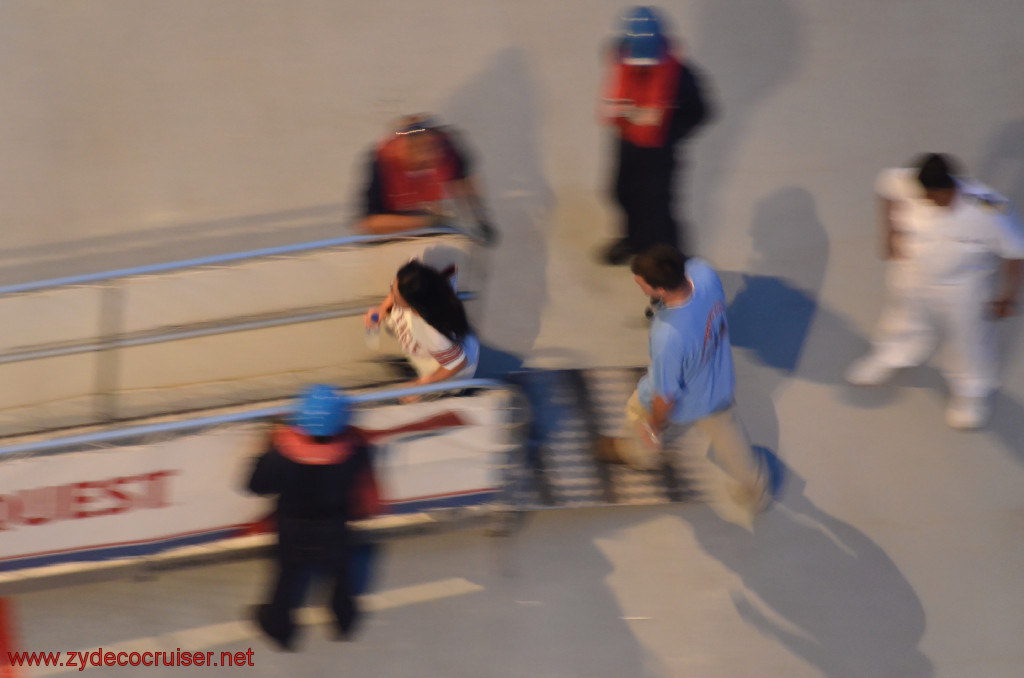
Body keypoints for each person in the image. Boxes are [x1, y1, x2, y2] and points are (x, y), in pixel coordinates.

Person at [845, 153, 1024, 429]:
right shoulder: (907, 182)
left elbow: (1015, 253)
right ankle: (893, 354)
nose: (926, 201)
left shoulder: (988, 208)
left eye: (933, 197)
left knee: (969, 339)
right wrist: (889, 232)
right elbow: (885, 189)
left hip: (964, 285)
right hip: (913, 270)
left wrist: (1008, 297)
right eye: (922, 195)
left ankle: (970, 392)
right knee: (902, 318)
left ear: (949, 189)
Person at [597, 245, 773, 516]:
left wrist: (653, 429)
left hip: (685, 400)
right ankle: (756, 488)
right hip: (717, 386)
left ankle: (638, 454)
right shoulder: (702, 272)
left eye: (642, 284)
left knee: (637, 414)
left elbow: (665, 398)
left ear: (661, 291)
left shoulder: (667, 336)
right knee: (730, 439)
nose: (638, 285)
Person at [247, 384, 379, 650]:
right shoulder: (354, 452)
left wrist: (265, 449)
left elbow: (256, 485)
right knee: (342, 575)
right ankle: (344, 621)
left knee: (287, 579)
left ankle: (280, 630)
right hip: (335, 526)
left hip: (292, 528)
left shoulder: (281, 456)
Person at [600, 6, 711, 265]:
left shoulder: (681, 76)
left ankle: (672, 265)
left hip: (659, 151)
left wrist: (673, 132)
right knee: (621, 192)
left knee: (658, 208)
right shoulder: (620, 56)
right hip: (628, 143)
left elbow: (701, 111)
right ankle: (634, 240)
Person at [355, 114, 497, 245]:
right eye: (418, 149)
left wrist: (480, 218)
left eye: (432, 148)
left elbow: (465, 180)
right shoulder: (381, 162)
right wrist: (428, 222)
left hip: (432, 215)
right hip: (398, 220)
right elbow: (368, 223)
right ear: (402, 147)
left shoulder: (448, 148)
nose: (428, 156)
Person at [364, 260, 480, 401]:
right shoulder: (419, 282)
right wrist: (382, 308)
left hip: (448, 373)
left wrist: (420, 385)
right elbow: (399, 288)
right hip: (434, 353)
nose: (391, 294)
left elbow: (457, 363)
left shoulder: (433, 334)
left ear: (414, 304)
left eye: (395, 295)